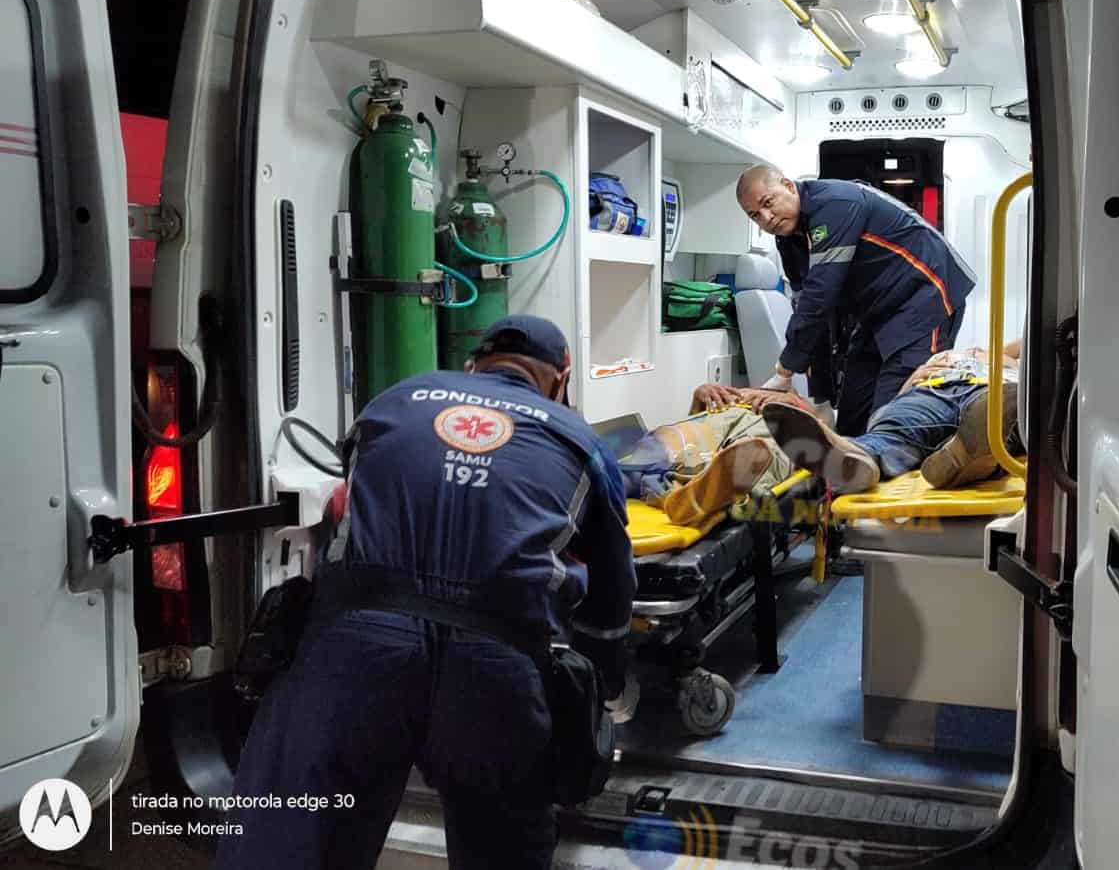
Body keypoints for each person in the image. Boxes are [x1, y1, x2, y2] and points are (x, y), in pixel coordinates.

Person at [214, 316, 636, 870]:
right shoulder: (582, 441)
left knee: (293, 842)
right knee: (504, 846)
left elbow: (358, 498)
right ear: (562, 378)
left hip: (355, 652)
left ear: (473, 364)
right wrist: (598, 679)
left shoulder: (392, 403)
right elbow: (611, 587)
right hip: (497, 665)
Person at [736, 165, 979, 436]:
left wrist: (785, 372)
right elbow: (812, 313)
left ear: (789, 186)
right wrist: (821, 398)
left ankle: (897, 460)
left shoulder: (836, 204)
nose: (766, 218)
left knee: (893, 417)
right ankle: (850, 472)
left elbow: (820, 296)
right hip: (876, 314)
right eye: (755, 216)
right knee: (851, 419)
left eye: (768, 203)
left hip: (925, 298)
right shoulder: (789, 241)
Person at [761, 342, 1024, 494]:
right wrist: (910, 382)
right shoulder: (958, 353)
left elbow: (1028, 341)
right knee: (894, 430)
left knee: (999, 415)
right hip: (932, 388)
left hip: (992, 391)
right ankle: (859, 457)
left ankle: (968, 456)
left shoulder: (1023, 364)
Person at [618, 383, 815, 524]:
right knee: (664, 444)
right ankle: (614, 482)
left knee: (758, 452)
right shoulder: (736, 389)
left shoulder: (797, 402)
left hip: (773, 426)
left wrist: (796, 403)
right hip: (718, 418)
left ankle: (686, 495)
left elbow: (825, 433)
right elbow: (694, 417)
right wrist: (701, 394)